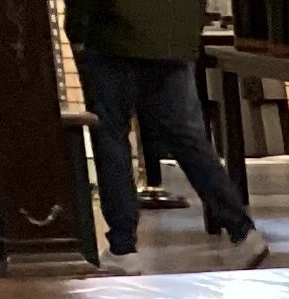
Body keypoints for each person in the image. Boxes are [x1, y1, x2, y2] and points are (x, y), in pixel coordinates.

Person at [65, 0, 269, 272]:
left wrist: (77, 30)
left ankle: (122, 248)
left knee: (111, 135)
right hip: (176, 34)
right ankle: (242, 232)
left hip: (113, 32)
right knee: (188, 138)